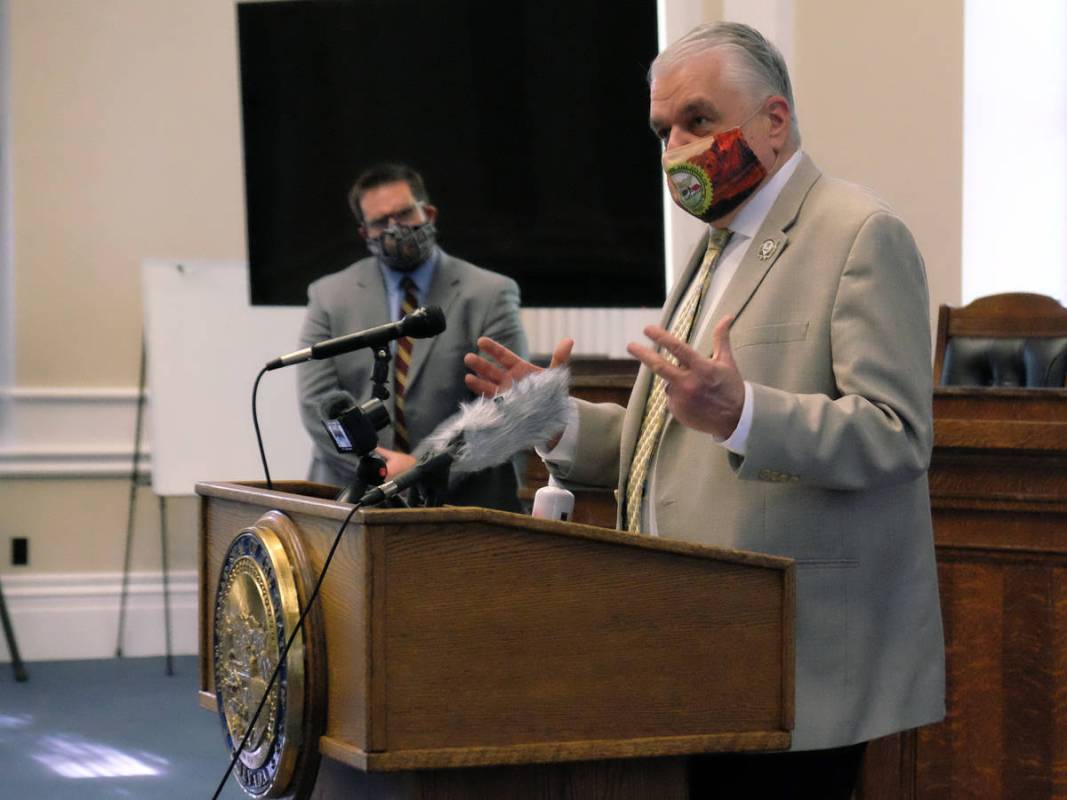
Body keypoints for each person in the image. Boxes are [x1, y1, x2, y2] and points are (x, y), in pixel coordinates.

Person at [464, 22, 944, 798]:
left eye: (697, 121)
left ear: (774, 120)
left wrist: (746, 413)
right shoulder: (715, 246)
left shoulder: (856, 232)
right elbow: (671, 436)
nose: (676, 149)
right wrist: (554, 424)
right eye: (662, 132)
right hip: (690, 640)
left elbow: (895, 436)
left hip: (792, 652)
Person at [298, 162, 528, 510]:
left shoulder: (490, 293)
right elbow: (318, 404)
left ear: (429, 213)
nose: (395, 228)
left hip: (460, 500)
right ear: (365, 233)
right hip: (350, 496)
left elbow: (499, 403)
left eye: (404, 213)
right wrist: (376, 468)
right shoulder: (329, 297)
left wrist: (418, 468)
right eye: (379, 222)